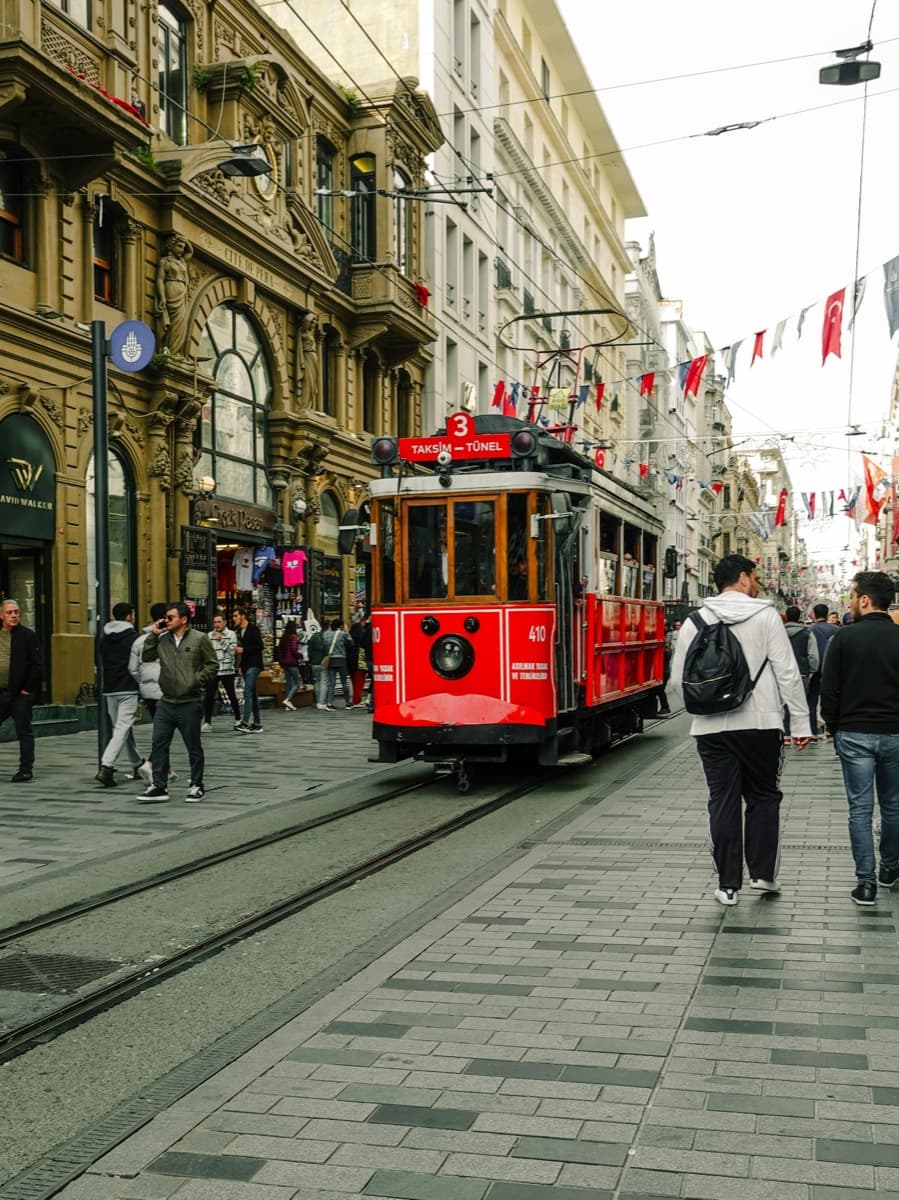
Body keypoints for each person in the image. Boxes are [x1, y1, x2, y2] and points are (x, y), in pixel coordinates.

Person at [670, 553, 812, 907]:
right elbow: (788, 673)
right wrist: (800, 722)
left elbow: (676, 680)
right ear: (744, 578)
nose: (757, 583)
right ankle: (763, 875)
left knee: (723, 800)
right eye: (754, 577)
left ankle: (728, 885)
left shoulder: (695, 621)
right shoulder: (766, 616)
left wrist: (706, 703)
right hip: (762, 724)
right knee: (763, 796)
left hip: (711, 728)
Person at [820, 570, 899, 906]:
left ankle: (865, 884)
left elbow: (828, 689)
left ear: (865, 600)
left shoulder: (844, 638)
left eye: (852, 596)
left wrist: (833, 726)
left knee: (860, 810)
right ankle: (890, 869)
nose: (850, 602)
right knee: (894, 806)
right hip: (895, 732)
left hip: (854, 733)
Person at [137, 602, 217, 802]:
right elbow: (147, 656)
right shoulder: (163, 639)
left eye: (170, 617)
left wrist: (196, 680)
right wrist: (154, 634)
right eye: (165, 617)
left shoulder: (200, 638)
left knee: (193, 746)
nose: (166, 620)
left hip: (189, 702)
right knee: (159, 743)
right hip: (166, 701)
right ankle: (159, 786)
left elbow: (212, 664)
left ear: (183, 619)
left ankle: (196, 785)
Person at [129, 602, 177, 787]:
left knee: (161, 730)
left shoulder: (140, 640)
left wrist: (143, 682)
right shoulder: (169, 638)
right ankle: (150, 763)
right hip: (165, 691)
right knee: (165, 732)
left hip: (147, 692)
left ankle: (167, 769)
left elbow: (133, 668)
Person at [96, 601, 143, 787]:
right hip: (128, 687)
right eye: (133, 614)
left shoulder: (104, 637)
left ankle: (137, 764)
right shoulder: (134, 637)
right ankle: (107, 766)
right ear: (129, 616)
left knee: (122, 728)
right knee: (122, 728)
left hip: (110, 688)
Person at [0, 599, 42, 783]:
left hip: (20, 694)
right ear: (1, 615)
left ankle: (25, 770)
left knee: (24, 732)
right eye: (9, 612)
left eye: (16, 612)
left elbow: (37, 665)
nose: (14, 615)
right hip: (0, 692)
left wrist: (27, 689)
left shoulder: (27, 636)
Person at [782, 605, 819, 743]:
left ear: (786, 617)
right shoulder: (807, 633)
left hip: (782, 673)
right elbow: (813, 655)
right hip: (802, 673)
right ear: (799, 617)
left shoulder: (778, 632)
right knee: (801, 704)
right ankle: (800, 735)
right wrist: (812, 670)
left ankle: (786, 735)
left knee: (785, 704)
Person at [155, 233, 192, 355]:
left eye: (183, 247)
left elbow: (190, 252)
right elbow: (160, 280)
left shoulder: (182, 261)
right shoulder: (165, 261)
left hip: (182, 294)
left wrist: (185, 240)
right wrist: (162, 297)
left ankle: (174, 352)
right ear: (171, 246)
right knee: (171, 323)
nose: (182, 250)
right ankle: (168, 351)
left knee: (180, 324)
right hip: (171, 291)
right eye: (179, 246)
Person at [203, 612, 241, 730]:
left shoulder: (231, 634)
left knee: (231, 695)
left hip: (227, 670)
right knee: (209, 696)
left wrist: (222, 641)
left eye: (219, 622)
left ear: (224, 622)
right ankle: (207, 722)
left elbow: (232, 652)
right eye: (215, 622)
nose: (217, 624)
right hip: (214, 670)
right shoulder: (209, 635)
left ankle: (238, 719)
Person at [807, 602, 839, 737]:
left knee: (812, 701)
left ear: (814, 615)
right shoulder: (836, 630)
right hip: (832, 669)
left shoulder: (810, 630)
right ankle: (830, 729)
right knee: (833, 698)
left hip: (815, 670)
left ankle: (812, 731)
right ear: (826, 614)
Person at [233, 607, 264, 732]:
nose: (234, 618)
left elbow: (259, 646)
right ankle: (257, 723)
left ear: (243, 616)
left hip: (254, 665)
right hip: (246, 665)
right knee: (252, 694)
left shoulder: (253, 629)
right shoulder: (240, 631)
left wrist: (243, 649)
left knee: (247, 691)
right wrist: (241, 666)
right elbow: (244, 652)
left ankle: (245, 722)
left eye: (236, 616)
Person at [323, 617, 354, 711]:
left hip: (330, 660)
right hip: (340, 659)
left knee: (331, 683)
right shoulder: (342, 634)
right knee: (344, 682)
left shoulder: (326, 634)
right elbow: (351, 643)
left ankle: (329, 703)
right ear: (341, 626)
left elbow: (324, 646)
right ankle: (347, 703)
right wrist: (347, 631)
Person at [276, 619, 301, 710]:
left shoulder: (283, 637)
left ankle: (288, 705)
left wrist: (281, 662)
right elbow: (294, 650)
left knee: (288, 683)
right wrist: (300, 656)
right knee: (297, 683)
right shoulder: (293, 637)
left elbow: (279, 650)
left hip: (284, 663)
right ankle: (288, 699)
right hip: (292, 662)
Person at [349, 612, 372, 707]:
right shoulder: (363, 636)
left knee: (354, 681)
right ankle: (356, 701)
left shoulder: (350, 637)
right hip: (359, 661)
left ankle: (355, 700)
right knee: (359, 682)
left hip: (350, 662)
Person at [306, 620, 328, 710]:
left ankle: (318, 701)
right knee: (324, 682)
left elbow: (309, 650)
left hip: (314, 662)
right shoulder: (327, 636)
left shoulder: (314, 636)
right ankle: (322, 702)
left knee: (317, 682)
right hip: (324, 662)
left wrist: (310, 660)